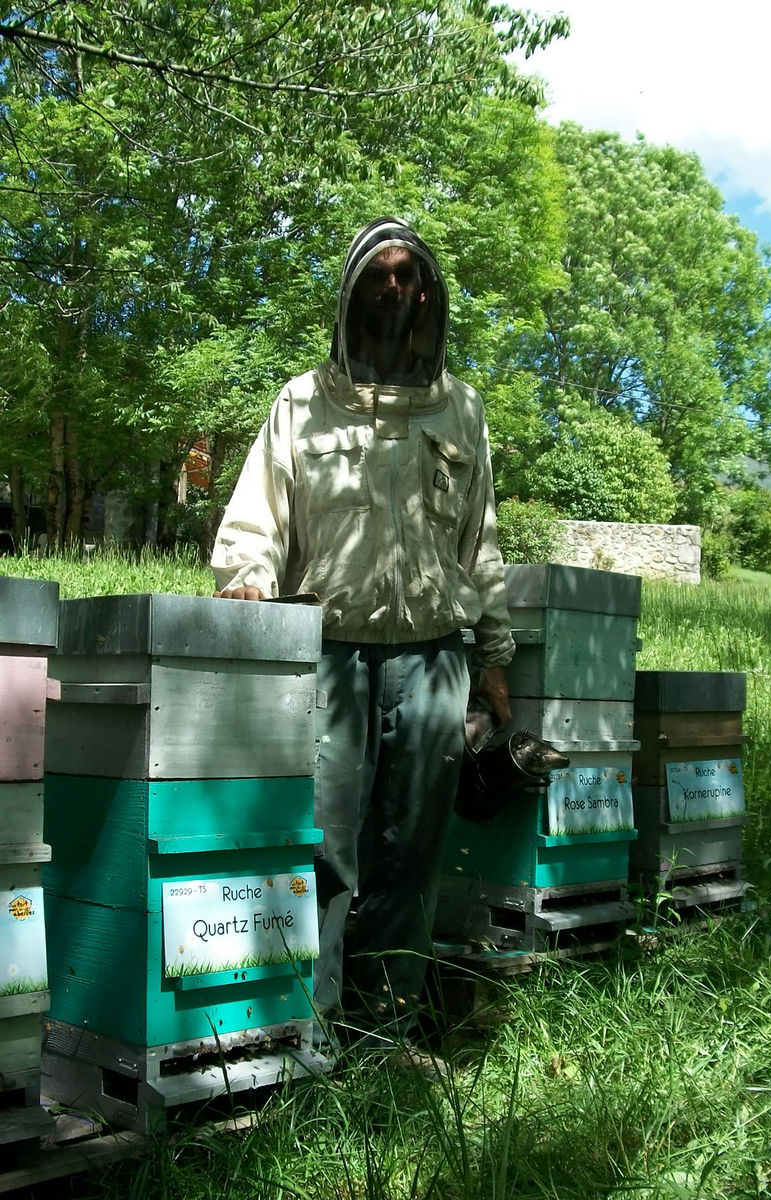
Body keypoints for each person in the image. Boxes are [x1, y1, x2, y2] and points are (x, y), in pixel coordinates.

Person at [212, 217, 513, 1032]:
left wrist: (493, 655)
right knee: (327, 847)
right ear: (350, 294)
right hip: (329, 656)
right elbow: (255, 522)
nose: (392, 287)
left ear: (428, 297)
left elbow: (478, 538)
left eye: (407, 275)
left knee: (412, 850)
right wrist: (246, 588)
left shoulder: (461, 411)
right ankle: (309, 1028)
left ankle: (384, 1029)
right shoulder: (301, 403)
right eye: (377, 275)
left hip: (431, 660)